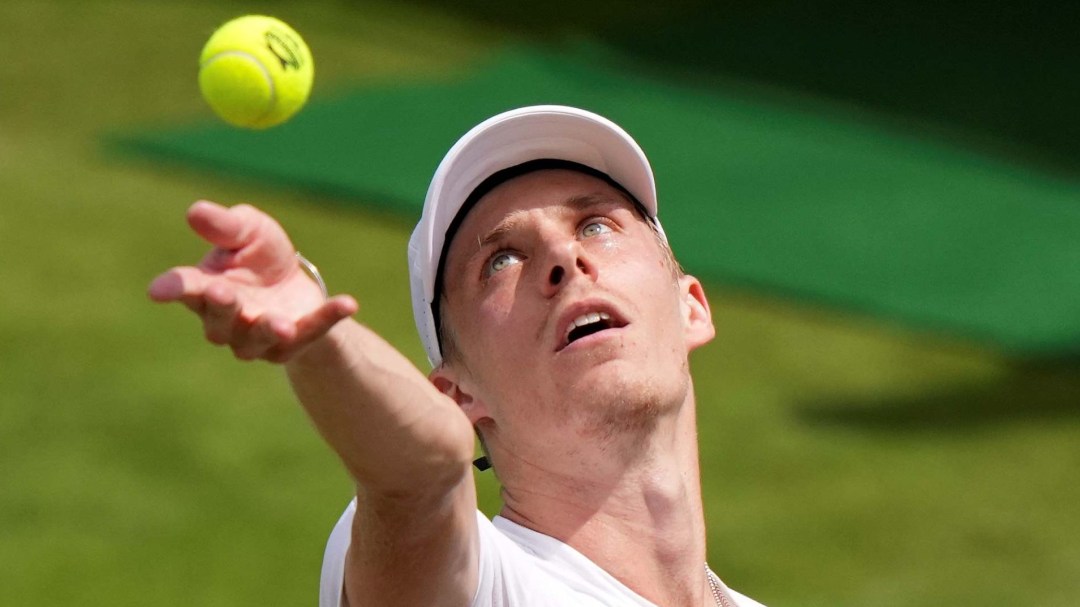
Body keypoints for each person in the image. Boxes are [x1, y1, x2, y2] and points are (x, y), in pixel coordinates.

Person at [149, 105, 766, 607]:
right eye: (501, 261)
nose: (562, 259)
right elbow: (417, 480)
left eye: (596, 224)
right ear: (456, 395)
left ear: (692, 307)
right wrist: (318, 339)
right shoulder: (484, 588)